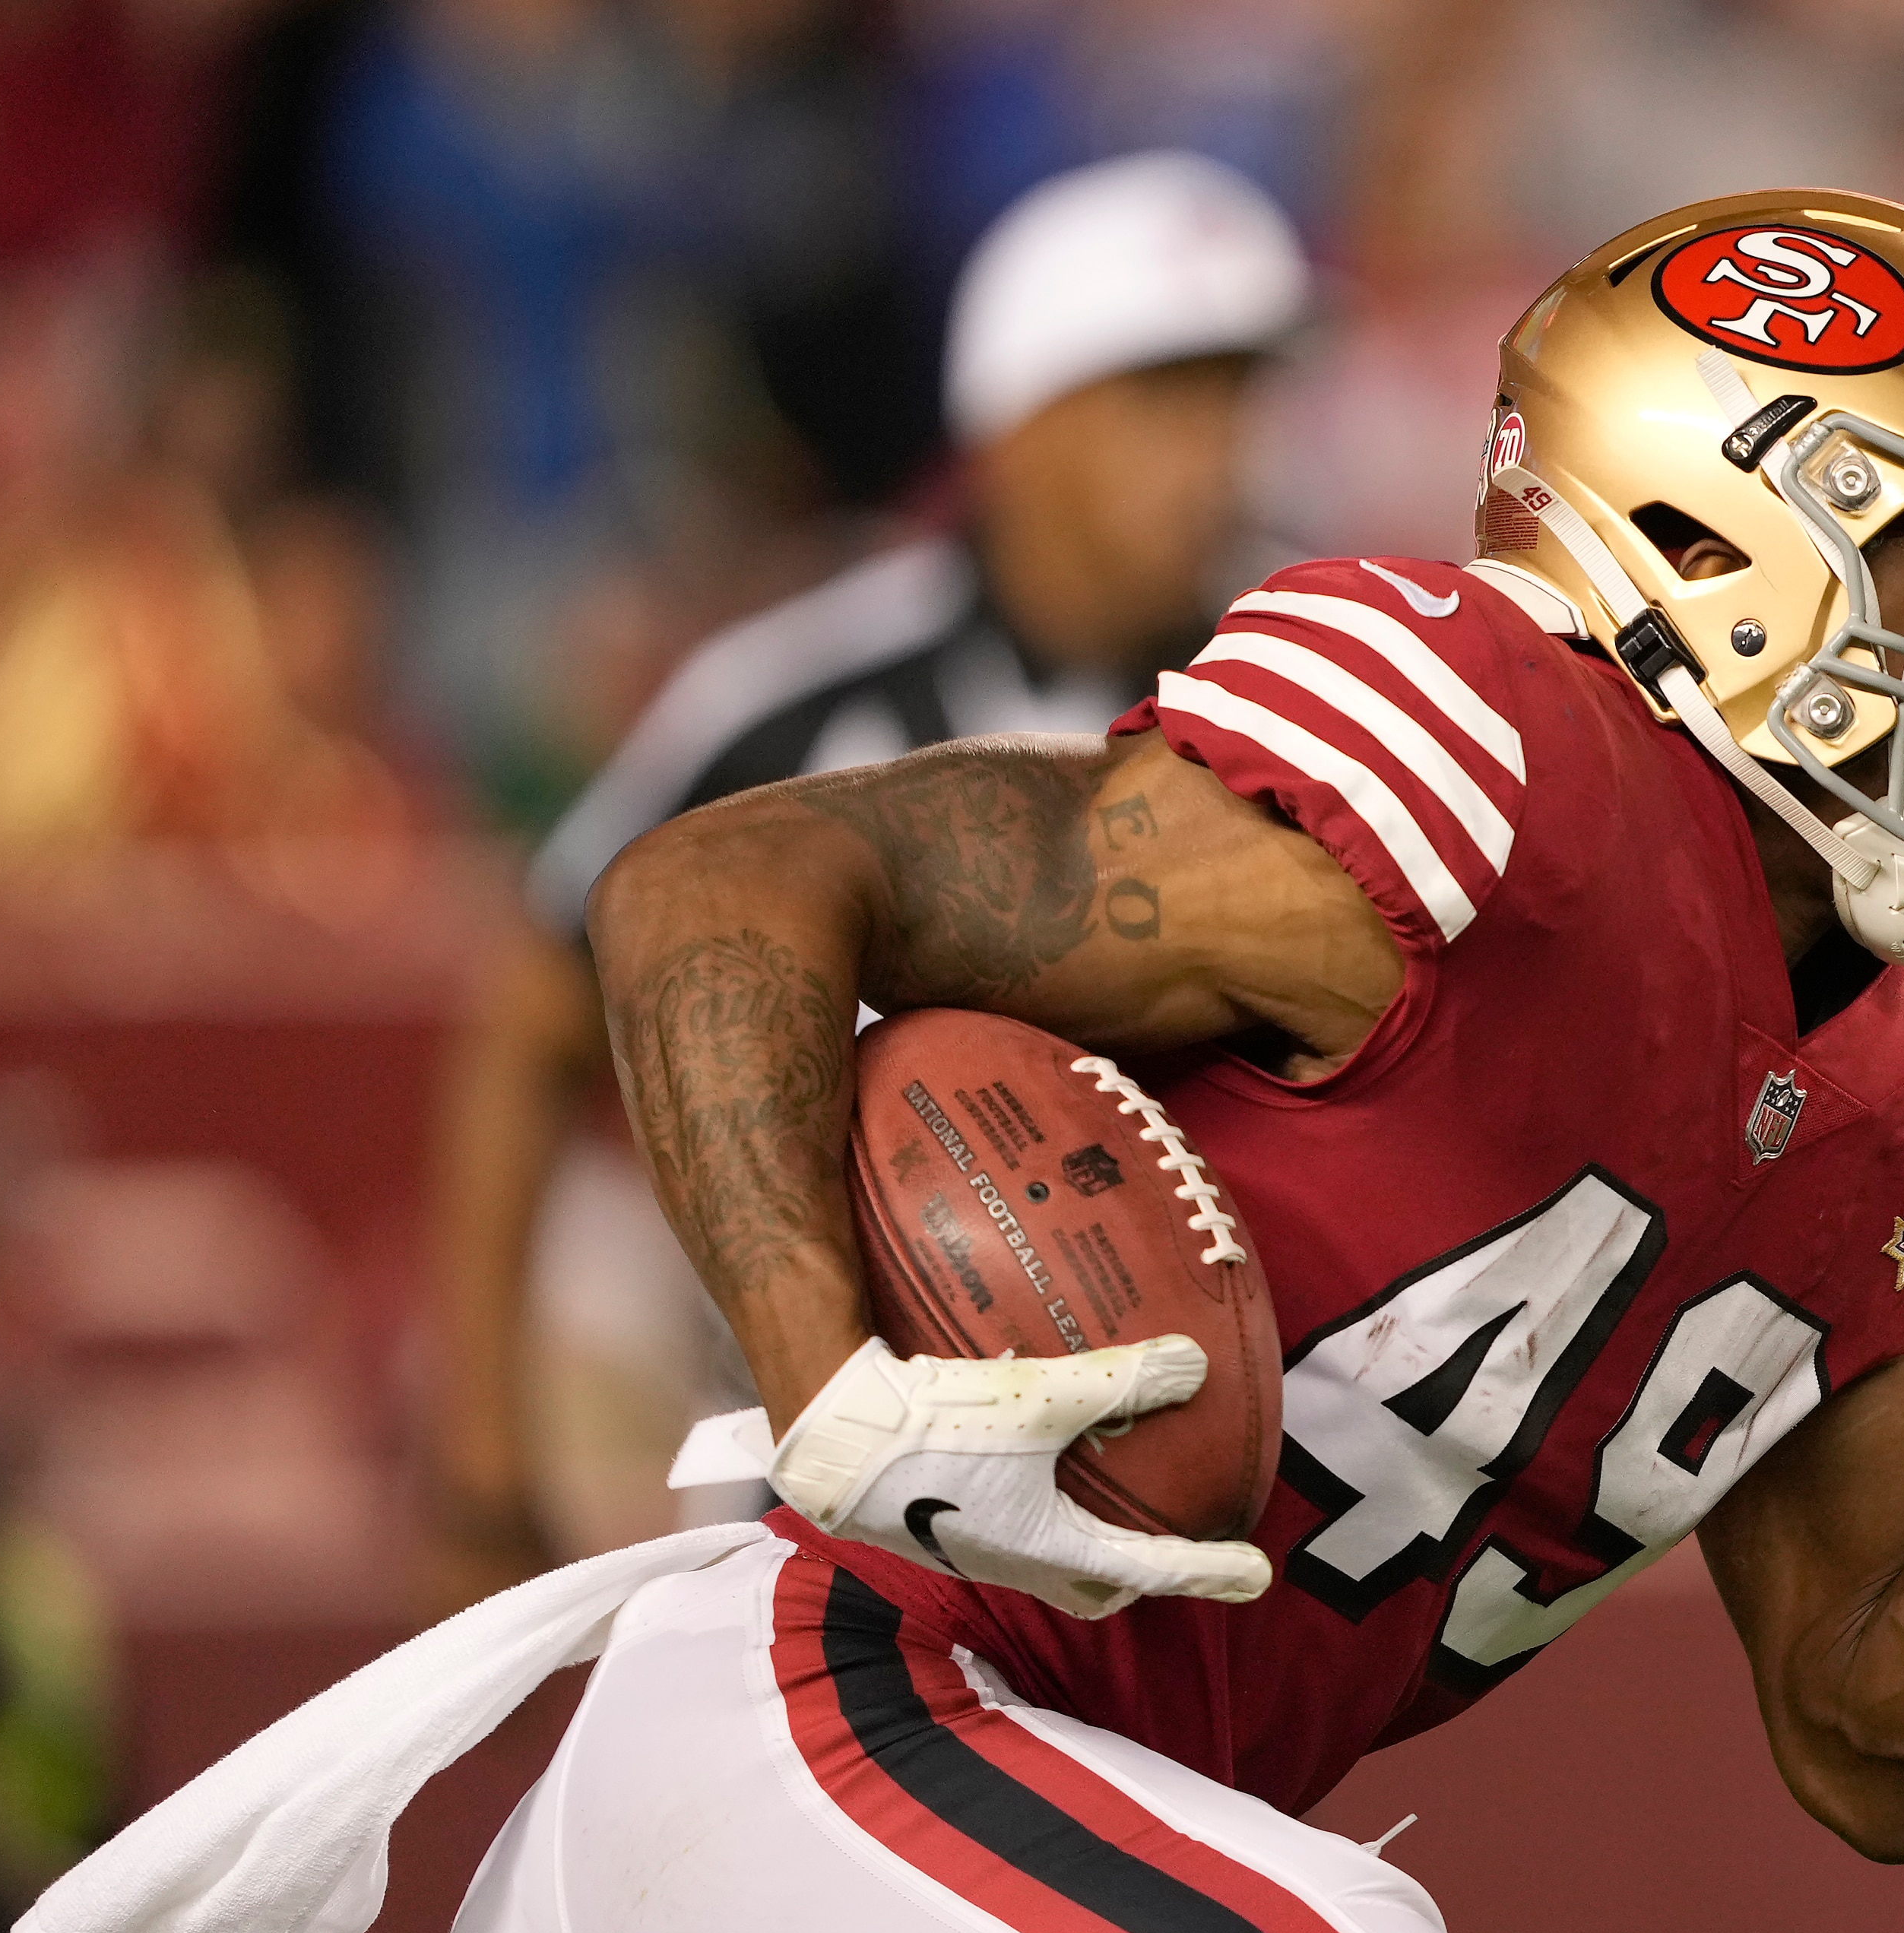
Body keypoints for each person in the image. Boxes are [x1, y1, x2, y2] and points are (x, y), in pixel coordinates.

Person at [286, 189, 1904, 1933]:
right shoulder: (1495, 762)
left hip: (960, 1868)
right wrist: (822, 1369)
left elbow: (1874, 1740)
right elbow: (712, 888)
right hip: (854, 1728)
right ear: (1730, 544)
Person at [429, 150, 1310, 1589]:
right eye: (1162, 398)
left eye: (1236, 398)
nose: (1214, 454)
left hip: (1212, 1491)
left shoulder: (1303, 698)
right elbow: (532, 1016)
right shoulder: (787, 699)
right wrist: (477, 1457)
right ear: (1014, 429)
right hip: (835, 1480)